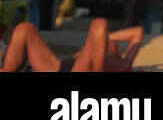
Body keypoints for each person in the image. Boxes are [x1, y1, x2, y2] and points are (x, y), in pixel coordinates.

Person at [0, 19, 142, 72]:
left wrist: (103, 38)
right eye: (109, 42)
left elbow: (137, 33)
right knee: (25, 29)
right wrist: (103, 38)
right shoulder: (95, 45)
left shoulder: (124, 62)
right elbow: (137, 32)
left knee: (99, 24)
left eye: (115, 45)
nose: (113, 44)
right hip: (58, 67)